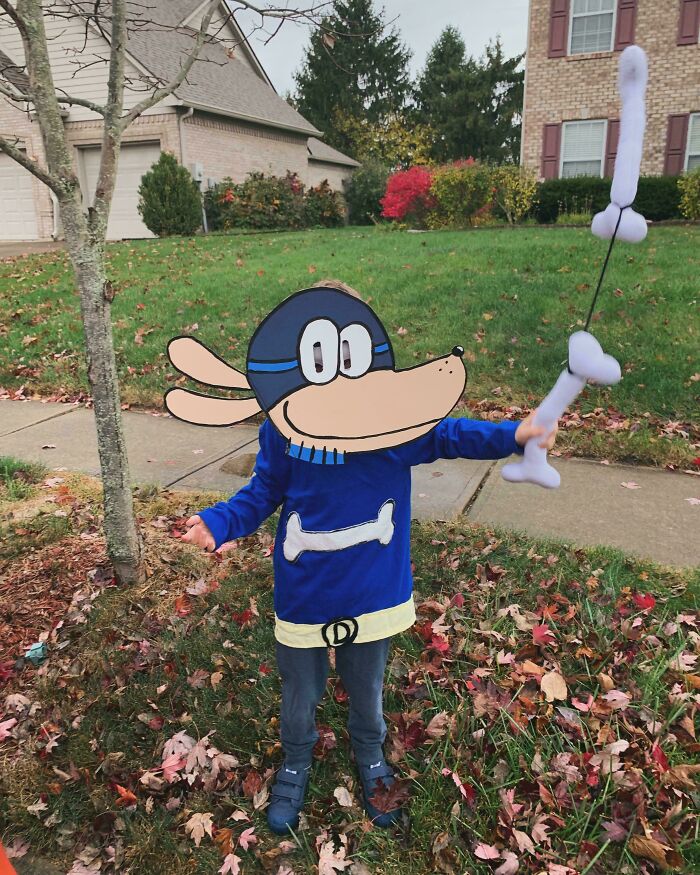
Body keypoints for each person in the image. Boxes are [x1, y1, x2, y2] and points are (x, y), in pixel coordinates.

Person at [175, 280, 557, 834]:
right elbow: (262, 493)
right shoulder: (284, 431)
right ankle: (297, 759)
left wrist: (516, 435)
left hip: (372, 589)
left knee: (367, 686)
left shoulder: (393, 429)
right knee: (300, 691)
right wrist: (218, 521)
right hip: (305, 592)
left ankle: (372, 757)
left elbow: (452, 435)